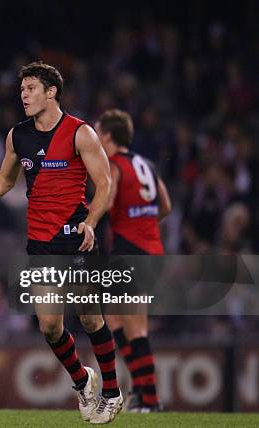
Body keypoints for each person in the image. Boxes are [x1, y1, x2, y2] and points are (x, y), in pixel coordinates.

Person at [0, 61, 122, 424]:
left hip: (76, 239)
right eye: (22, 89)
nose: (24, 94)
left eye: (31, 88)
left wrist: (91, 221)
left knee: (89, 316)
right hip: (40, 243)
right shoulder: (17, 135)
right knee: (50, 327)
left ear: (51, 92)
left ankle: (113, 393)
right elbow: (4, 180)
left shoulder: (80, 133)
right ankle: (83, 380)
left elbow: (104, 184)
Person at [96, 109, 171, 412]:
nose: (97, 138)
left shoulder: (114, 165)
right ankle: (140, 390)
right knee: (114, 320)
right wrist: (145, 222)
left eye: (99, 133)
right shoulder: (146, 165)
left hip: (131, 252)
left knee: (136, 326)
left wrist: (86, 220)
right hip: (148, 249)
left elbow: (108, 201)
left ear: (109, 136)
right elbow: (165, 205)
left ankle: (150, 401)